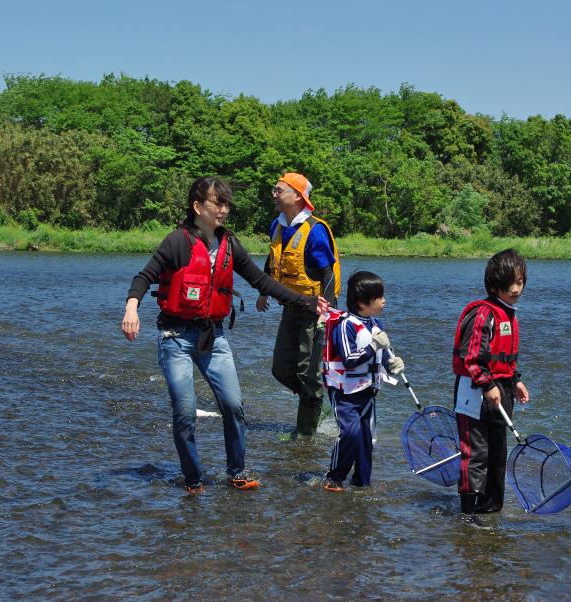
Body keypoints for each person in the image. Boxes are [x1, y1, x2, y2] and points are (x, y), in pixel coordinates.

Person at [122, 177, 328, 493]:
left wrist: (306, 302)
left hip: (214, 338)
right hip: (175, 338)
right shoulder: (176, 242)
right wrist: (131, 308)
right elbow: (144, 277)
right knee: (185, 412)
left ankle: (237, 472)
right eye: (217, 203)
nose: (223, 209)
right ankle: (193, 479)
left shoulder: (229, 245)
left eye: (226, 204)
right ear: (197, 206)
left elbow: (263, 282)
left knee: (232, 405)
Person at [255, 172, 341, 440]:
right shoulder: (277, 225)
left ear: (298, 196)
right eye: (275, 189)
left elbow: (328, 274)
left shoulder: (314, 230)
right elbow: (273, 260)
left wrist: (326, 313)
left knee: (307, 371)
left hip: (313, 312)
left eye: (279, 190)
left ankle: (304, 433)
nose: (274, 194)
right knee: (281, 369)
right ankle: (318, 404)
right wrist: (263, 290)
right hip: (289, 308)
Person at [452, 249, 530, 514]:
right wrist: (487, 385)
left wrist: (516, 381)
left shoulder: (508, 313)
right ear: (495, 285)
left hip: (502, 391)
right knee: (476, 453)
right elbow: (472, 358)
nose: (516, 289)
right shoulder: (483, 313)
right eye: (510, 284)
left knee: (498, 454)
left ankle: (491, 510)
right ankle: (467, 511)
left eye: (520, 283)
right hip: (474, 393)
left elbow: (503, 358)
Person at [319, 271, 403, 491]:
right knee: (350, 433)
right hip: (345, 393)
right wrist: (373, 346)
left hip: (369, 392)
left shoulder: (376, 324)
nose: (384, 300)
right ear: (362, 303)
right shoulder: (346, 325)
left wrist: (393, 364)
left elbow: (385, 355)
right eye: (379, 296)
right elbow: (348, 360)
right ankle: (334, 477)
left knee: (366, 439)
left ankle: (362, 483)